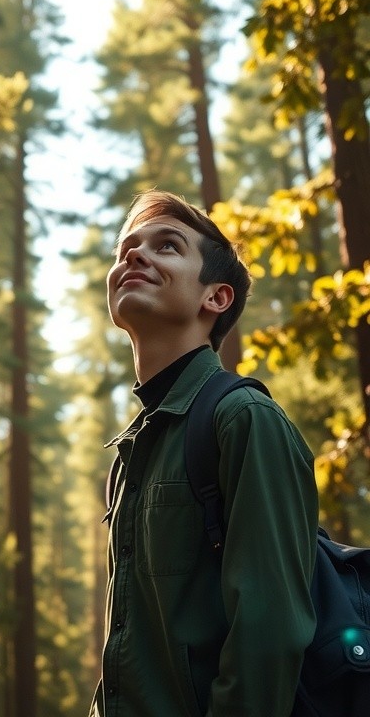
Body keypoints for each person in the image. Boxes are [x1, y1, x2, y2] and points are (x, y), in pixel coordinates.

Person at [90, 189, 319, 717]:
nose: (135, 255)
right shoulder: (132, 452)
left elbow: (269, 633)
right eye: (126, 249)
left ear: (215, 297)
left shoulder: (243, 418)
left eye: (167, 246)